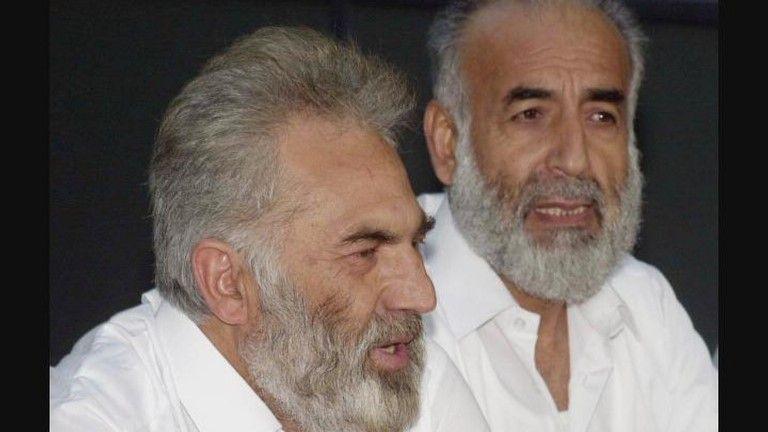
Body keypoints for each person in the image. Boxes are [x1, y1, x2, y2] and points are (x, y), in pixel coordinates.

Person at [49, 26, 489, 432]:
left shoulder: (404, 376)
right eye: (365, 254)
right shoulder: (93, 419)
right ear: (228, 284)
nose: (423, 296)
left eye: (416, 242)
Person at [419, 0, 718, 430]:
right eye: (531, 115)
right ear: (448, 143)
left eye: (601, 117)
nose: (575, 159)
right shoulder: (387, 313)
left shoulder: (642, 303)